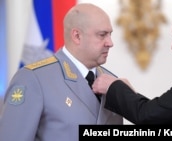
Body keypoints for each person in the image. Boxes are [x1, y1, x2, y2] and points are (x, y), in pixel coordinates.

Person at [0, 3, 123, 141]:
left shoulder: (113, 82)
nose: (110, 43)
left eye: (110, 34)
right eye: (102, 35)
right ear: (77, 36)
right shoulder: (33, 79)